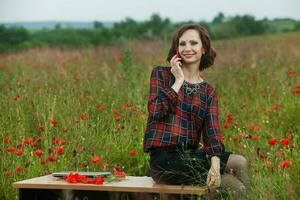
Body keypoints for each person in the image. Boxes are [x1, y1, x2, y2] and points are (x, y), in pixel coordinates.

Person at [143, 24, 250, 199]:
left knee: (240, 162)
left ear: (204, 49)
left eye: (193, 43)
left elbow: (212, 133)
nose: (187, 48)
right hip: (164, 161)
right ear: (176, 50)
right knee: (232, 185)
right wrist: (178, 81)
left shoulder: (208, 92)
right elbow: (156, 110)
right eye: (182, 44)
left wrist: (215, 165)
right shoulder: (161, 75)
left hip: (192, 156)